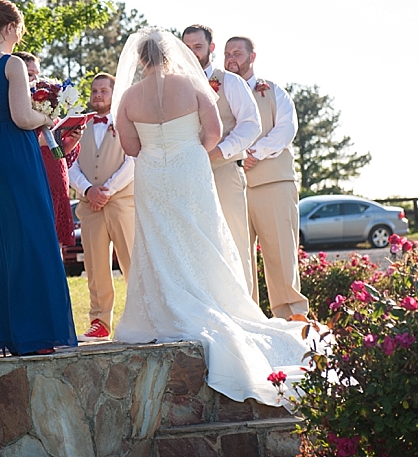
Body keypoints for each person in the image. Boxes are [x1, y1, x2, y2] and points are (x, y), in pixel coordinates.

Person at [112, 28, 311, 407]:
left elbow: (130, 146)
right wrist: (187, 149)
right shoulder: (193, 86)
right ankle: (211, 298)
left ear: (140, 60)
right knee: (200, 235)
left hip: (152, 172)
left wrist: (158, 150)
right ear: (170, 54)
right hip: (191, 167)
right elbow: (215, 133)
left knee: (158, 237)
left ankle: (165, 306)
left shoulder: (129, 98)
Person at [0, 0, 77, 356]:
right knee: (29, 235)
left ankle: (6, 335)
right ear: (10, 28)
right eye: (19, 31)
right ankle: (35, 335)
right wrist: (47, 118)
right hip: (14, 152)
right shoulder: (11, 64)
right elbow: (22, 116)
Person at [224, 36, 310, 319]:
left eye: (237, 53)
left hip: (274, 183)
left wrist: (255, 153)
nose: (231, 58)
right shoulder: (217, 93)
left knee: (281, 254)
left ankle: (292, 315)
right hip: (232, 186)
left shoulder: (274, 92)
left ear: (252, 57)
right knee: (237, 256)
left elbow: (286, 129)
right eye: (227, 53)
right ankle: (248, 318)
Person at [182, 25, 261, 297]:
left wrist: (221, 151)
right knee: (195, 244)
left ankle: (246, 309)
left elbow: (251, 125)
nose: (192, 53)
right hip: (187, 175)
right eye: (187, 47)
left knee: (236, 242)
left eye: (198, 47)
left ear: (210, 48)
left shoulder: (230, 81)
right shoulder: (175, 86)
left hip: (224, 170)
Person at [67, 72, 135, 342]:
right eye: (95, 90)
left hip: (121, 202)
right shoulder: (78, 125)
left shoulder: (126, 122)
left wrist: (108, 189)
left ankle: (142, 318)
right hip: (89, 205)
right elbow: (69, 161)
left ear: (113, 94)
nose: (98, 95)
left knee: (132, 261)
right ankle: (99, 323)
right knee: (95, 267)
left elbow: (133, 159)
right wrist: (87, 190)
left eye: (104, 91)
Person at [13, 51, 83, 251]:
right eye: (28, 74)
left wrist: (70, 141)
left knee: (55, 243)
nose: (34, 79)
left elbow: (58, 152)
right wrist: (39, 143)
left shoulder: (49, 104)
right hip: (32, 179)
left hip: (55, 179)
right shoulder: (13, 108)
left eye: (36, 73)